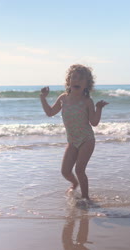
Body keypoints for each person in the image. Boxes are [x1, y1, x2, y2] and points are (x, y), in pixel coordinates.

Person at [40, 64, 108, 200]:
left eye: (81, 79)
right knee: (65, 171)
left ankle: (85, 199)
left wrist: (99, 108)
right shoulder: (63, 98)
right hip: (72, 141)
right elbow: (50, 112)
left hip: (86, 139)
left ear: (87, 85)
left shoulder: (87, 101)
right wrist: (43, 97)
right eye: (74, 78)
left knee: (79, 170)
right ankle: (74, 183)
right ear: (69, 81)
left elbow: (94, 122)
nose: (77, 81)